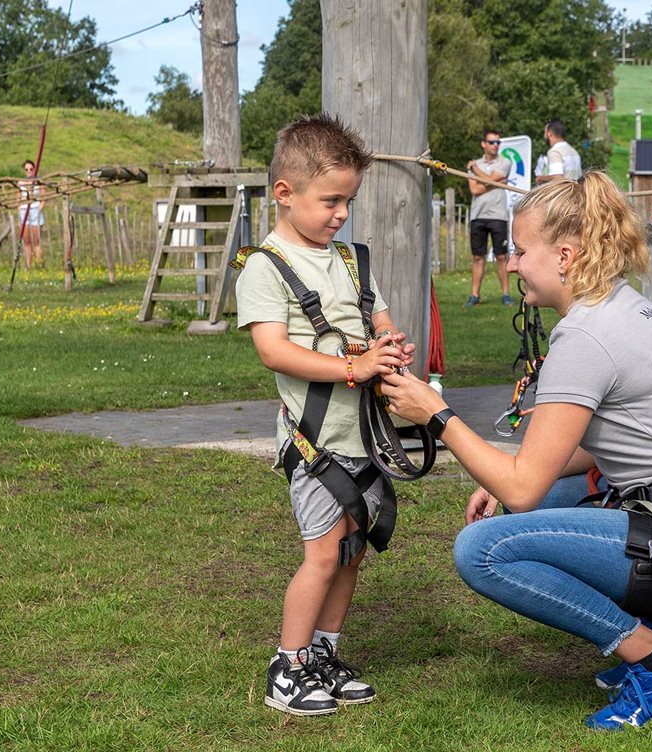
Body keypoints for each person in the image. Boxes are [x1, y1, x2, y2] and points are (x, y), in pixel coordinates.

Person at [378, 171, 652, 731]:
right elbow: (599, 452)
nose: (512, 264)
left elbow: (523, 485)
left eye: (521, 251)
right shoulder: (624, 306)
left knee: (482, 551)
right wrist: (505, 478)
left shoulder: (586, 337)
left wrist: (436, 416)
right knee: (526, 500)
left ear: (564, 255)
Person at [234, 113, 417, 717]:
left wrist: (387, 345)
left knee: (352, 549)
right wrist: (352, 369)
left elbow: (377, 316)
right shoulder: (265, 266)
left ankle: (323, 652)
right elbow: (272, 350)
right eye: (329, 201)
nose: (340, 213)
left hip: (363, 436)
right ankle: (287, 666)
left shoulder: (350, 259)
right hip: (315, 442)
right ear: (284, 194)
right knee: (321, 552)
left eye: (348, 202)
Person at [465, 128, 514, 306]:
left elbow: (485, 182)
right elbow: (475, 189)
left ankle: (506, 294)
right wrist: (496, 182)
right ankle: (475, 295)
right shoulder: (475, 164)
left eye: (498, 142)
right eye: (492, 142)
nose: (496, 145)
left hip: (498, 216)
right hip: (478, 216)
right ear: (483, 144)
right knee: (478, 257)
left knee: (501, 256)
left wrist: (476, 170)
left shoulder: (504, 162)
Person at [536, 119, 582, 183]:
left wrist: (540, 178)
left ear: (549, 133)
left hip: (565, 192)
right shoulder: (574, 151)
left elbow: (557, 178)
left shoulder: (554, 152)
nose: (544, 135)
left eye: (545, 132)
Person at [18, 160, 45, 268]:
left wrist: (39, 209)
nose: (29, 171)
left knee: (37, 240)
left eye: (31, 169)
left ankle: (38, 264)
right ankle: (28, 265)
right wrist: (19, 209)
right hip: (24, 210)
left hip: (35, 210)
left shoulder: (38, 181)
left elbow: (43, 197)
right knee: (27, 240)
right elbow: (18, 198)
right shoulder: (20, 182)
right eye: (26, 169)